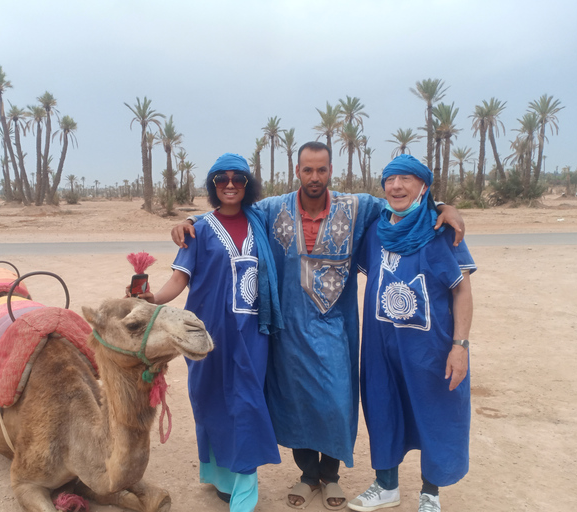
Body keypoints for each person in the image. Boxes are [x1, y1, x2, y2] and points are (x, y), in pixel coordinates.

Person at [172, 142, 466, 510]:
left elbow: (402, 204)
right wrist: (191, 221)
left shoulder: (359, 207)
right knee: (294, 401)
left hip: (337, 329)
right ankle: (309, 475)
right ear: (297, 171)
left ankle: (332, 476)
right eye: (307, 170)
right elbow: (231, 211)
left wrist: (442, 206)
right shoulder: (272, 208)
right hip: (288, 328)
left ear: (331, 171)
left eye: (321, 170)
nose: (314, 177)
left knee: (337, 401)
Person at [135, 153, 283, 512]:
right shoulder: (199, 229)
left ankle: (245, 491)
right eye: (221, 179)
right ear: (213, 186)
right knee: (211, 401)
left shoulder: (262, 221)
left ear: (249, 185)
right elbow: (179, 279)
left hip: (252, 335)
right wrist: (153, 298)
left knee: (247, 404)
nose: (230, 185)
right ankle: (223, 478)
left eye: (238, 179)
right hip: (206, 334)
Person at [348, 154, 475, 512]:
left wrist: (460, 346)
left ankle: (430, 494)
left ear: (423, 186)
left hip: (429, 347)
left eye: (406, 179)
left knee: (434, 412)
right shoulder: (375, 230)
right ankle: (386, 485)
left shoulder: (441, 230)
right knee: (382, 407)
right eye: (390, 179)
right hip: (380, 345)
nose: (396, 186)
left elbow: (461, 290)